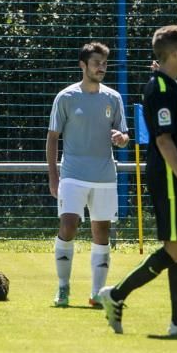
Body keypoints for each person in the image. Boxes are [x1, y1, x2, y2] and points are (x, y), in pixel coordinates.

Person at [97, 26, 177, 337]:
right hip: (171, 177)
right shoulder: (157, 88)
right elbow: (164, 140)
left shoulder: (169, 85)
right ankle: (116, 294)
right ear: (174, 54)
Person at [47, 42, 130, 309]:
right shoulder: (66, 97)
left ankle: (97, 293)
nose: (101, 67)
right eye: (96, 62)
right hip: (72, 174)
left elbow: (124, 135)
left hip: (105, 175)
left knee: (102, 232)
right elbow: (52, 138)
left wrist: (121, 138)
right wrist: (53, 176)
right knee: (68, 225)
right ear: (83, 65)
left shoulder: (113, 98)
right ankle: (62, 288)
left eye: (104, 63)